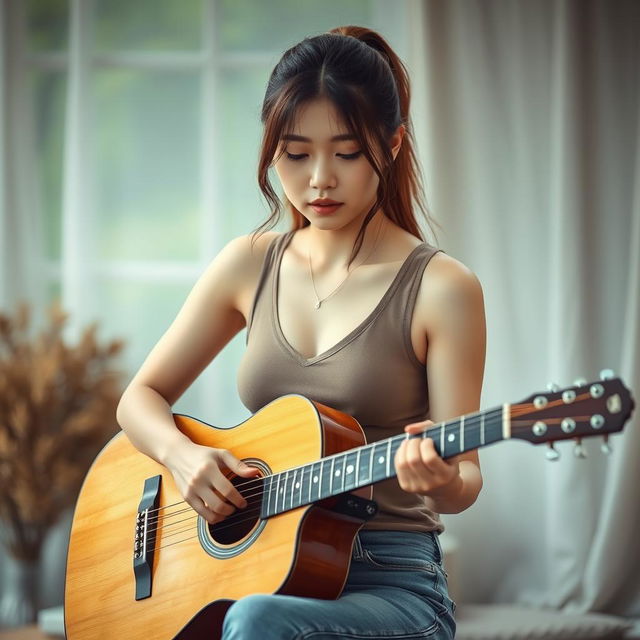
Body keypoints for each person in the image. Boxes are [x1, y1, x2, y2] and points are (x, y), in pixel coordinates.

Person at [117, 25, 486, 640]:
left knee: (256, 623)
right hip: (262, 571)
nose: (320, 179)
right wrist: (183, 458)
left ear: (392, 145)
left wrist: (443, 478)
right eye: (295, 154)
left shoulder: (442, 288)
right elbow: (138, 400)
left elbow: (465, 481)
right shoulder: (248, 264)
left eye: (346, 153)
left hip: (390, 582)